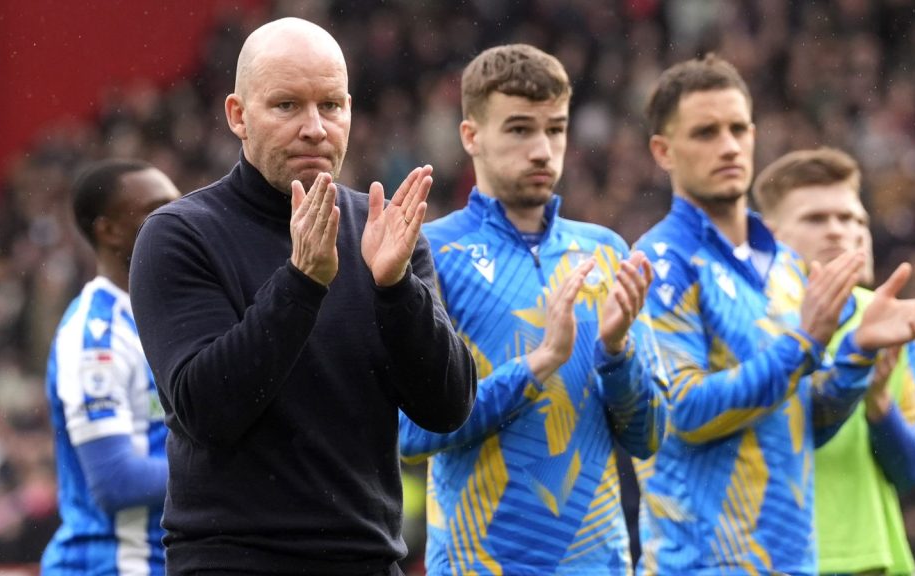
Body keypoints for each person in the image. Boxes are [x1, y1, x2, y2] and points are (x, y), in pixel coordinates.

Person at [128, 17, 476, 575]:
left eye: (331, 105)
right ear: (238, 116)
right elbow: (207, 411)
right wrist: (301, 283)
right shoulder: (179, 235)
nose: (315, 128)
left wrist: (396, 291)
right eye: (287, 105)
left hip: (367, 560)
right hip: (231, 563)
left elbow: (447, 407)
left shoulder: (382, 230)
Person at [632, 54, 915, 575]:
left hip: (793, 560)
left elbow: (803, 423)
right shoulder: (661, 262)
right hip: (704, 563)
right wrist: (804, 342)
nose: (729, 146)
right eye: (706, 133)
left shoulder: (783, 267)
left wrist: (855, 355)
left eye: (738, 129)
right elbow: (683, 413)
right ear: (663, 151)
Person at [398, 44, 668, 574]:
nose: (543, 150)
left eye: (556, 129)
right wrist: (537, 365)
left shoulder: (606, 251)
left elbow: (649, 435)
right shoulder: (431, 253)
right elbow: (409, 435)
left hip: (601, 563)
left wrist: (617, 353)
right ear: (470, 136)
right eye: (520, 129)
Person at [753, 146, 915, 576]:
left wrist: (881, 408)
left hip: (875, 558)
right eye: (816, 218)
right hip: (773, 558)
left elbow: (909, 471)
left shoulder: (888, 318)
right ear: (769, 236)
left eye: (851, 219)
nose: (838, 231)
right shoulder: (746, 317)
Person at [42, 159, 180, 575]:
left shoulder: (173, 312)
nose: (178, 217)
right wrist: (247, 467)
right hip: (114, 564)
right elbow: (118, 481)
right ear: (108, 230)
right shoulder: (94, 337)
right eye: (158, 208)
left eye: (179, 203)